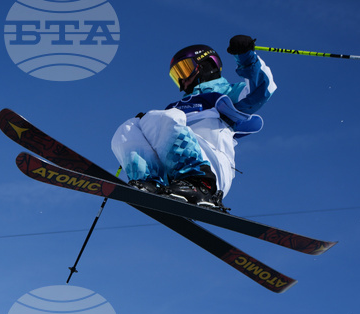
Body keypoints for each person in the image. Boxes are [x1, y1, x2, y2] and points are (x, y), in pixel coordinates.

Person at [111, 36, 275, 208]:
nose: (182, 80)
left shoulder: (225, 95)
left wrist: (246, 56)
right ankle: (150, 181)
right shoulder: (174, 109)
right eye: (177, 75)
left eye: (185, 69)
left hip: (210, 167)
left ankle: (200, 183)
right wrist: (143, 123)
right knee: (129, 127)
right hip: (175, 177)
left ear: (207, 65)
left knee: (166, 117)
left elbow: (262, 89)